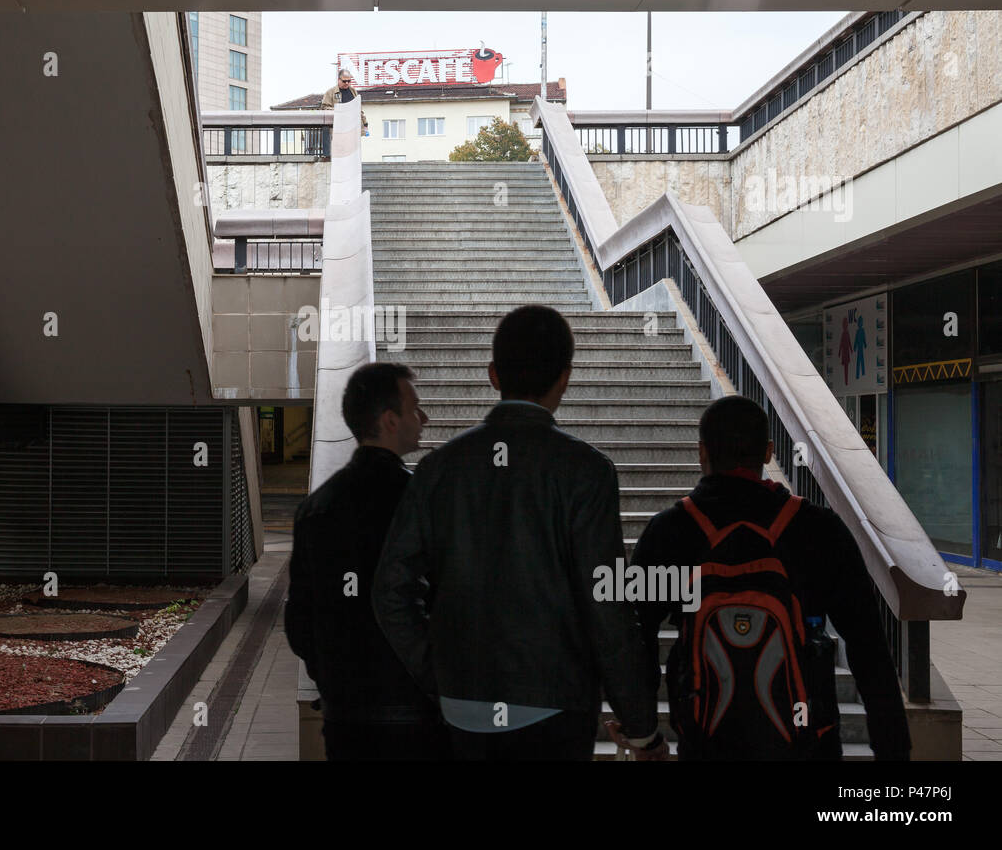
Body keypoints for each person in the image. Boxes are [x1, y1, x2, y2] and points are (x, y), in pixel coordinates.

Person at [372, 305, 665, 761]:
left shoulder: (438, 469)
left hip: (462, 707)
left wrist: (439, 671)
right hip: (554, 707)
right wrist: (642, 728)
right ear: (565, 377)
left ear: (493, 374)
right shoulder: (585, 472)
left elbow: (390, 590)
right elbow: (607, 608)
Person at [629, 395, 912, 760]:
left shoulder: (670, 530)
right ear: (768, 452)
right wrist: (893, 748)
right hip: (806, 743)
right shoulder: (819, 529)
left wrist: (642, 731)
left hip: (707, 742)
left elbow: (636, 635)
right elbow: (868, 647)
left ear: (702, 453)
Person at [285, 362, 450, 760]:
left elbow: (299, 620)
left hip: (347, 718)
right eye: (415, 408)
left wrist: (331, 679)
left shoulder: (316, 508)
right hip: (417, 715)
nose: (424, 418)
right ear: (390, 421)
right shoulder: (423, 501)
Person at [320, 69, 369, 136]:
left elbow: (359, 109)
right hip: (338, 128)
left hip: (353, 127)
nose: (347, 83)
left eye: (349, 81)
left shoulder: (353, 91)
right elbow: (324, 108)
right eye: (344, 81)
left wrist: (365, 123)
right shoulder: (330, 92)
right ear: (338, 80)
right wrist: (340, 110)